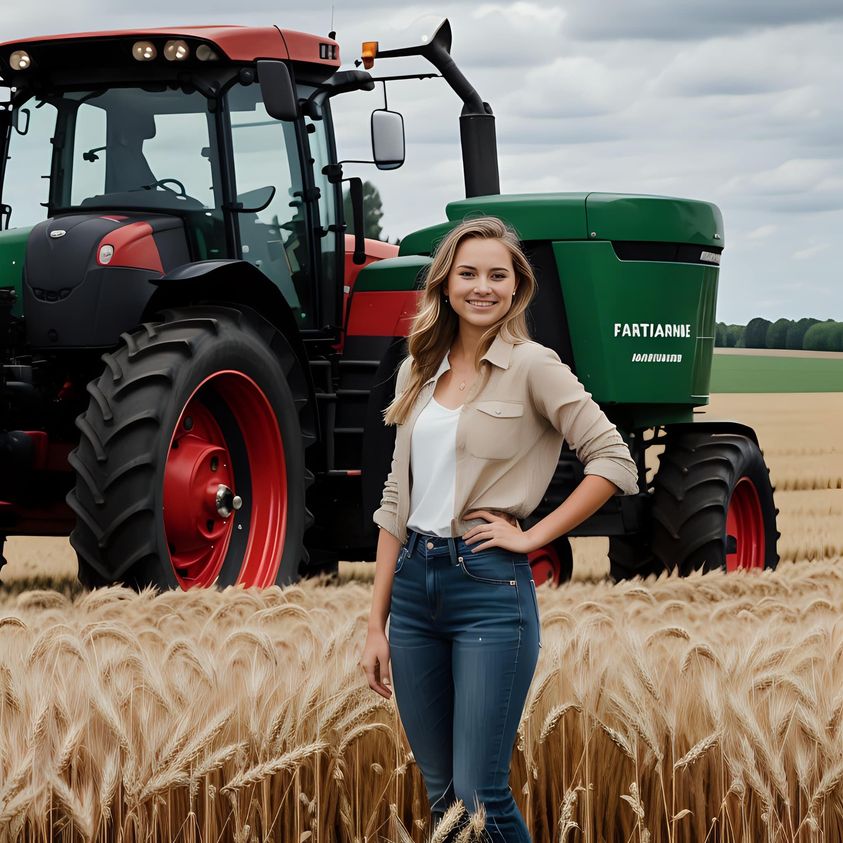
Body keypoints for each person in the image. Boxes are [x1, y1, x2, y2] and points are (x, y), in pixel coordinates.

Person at [360, 216, 639, 843]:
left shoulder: (535, 367)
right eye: (468, 274)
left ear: (517, 288)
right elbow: (394, 502)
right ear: (444, 284)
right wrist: (374, 624)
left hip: (487, 592)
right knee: (441, 796)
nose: (482, 287)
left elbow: (614, 461)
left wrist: (532, 536)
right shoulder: (415, 371)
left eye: (497, 275)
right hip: (410, 596)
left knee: (478, 789)